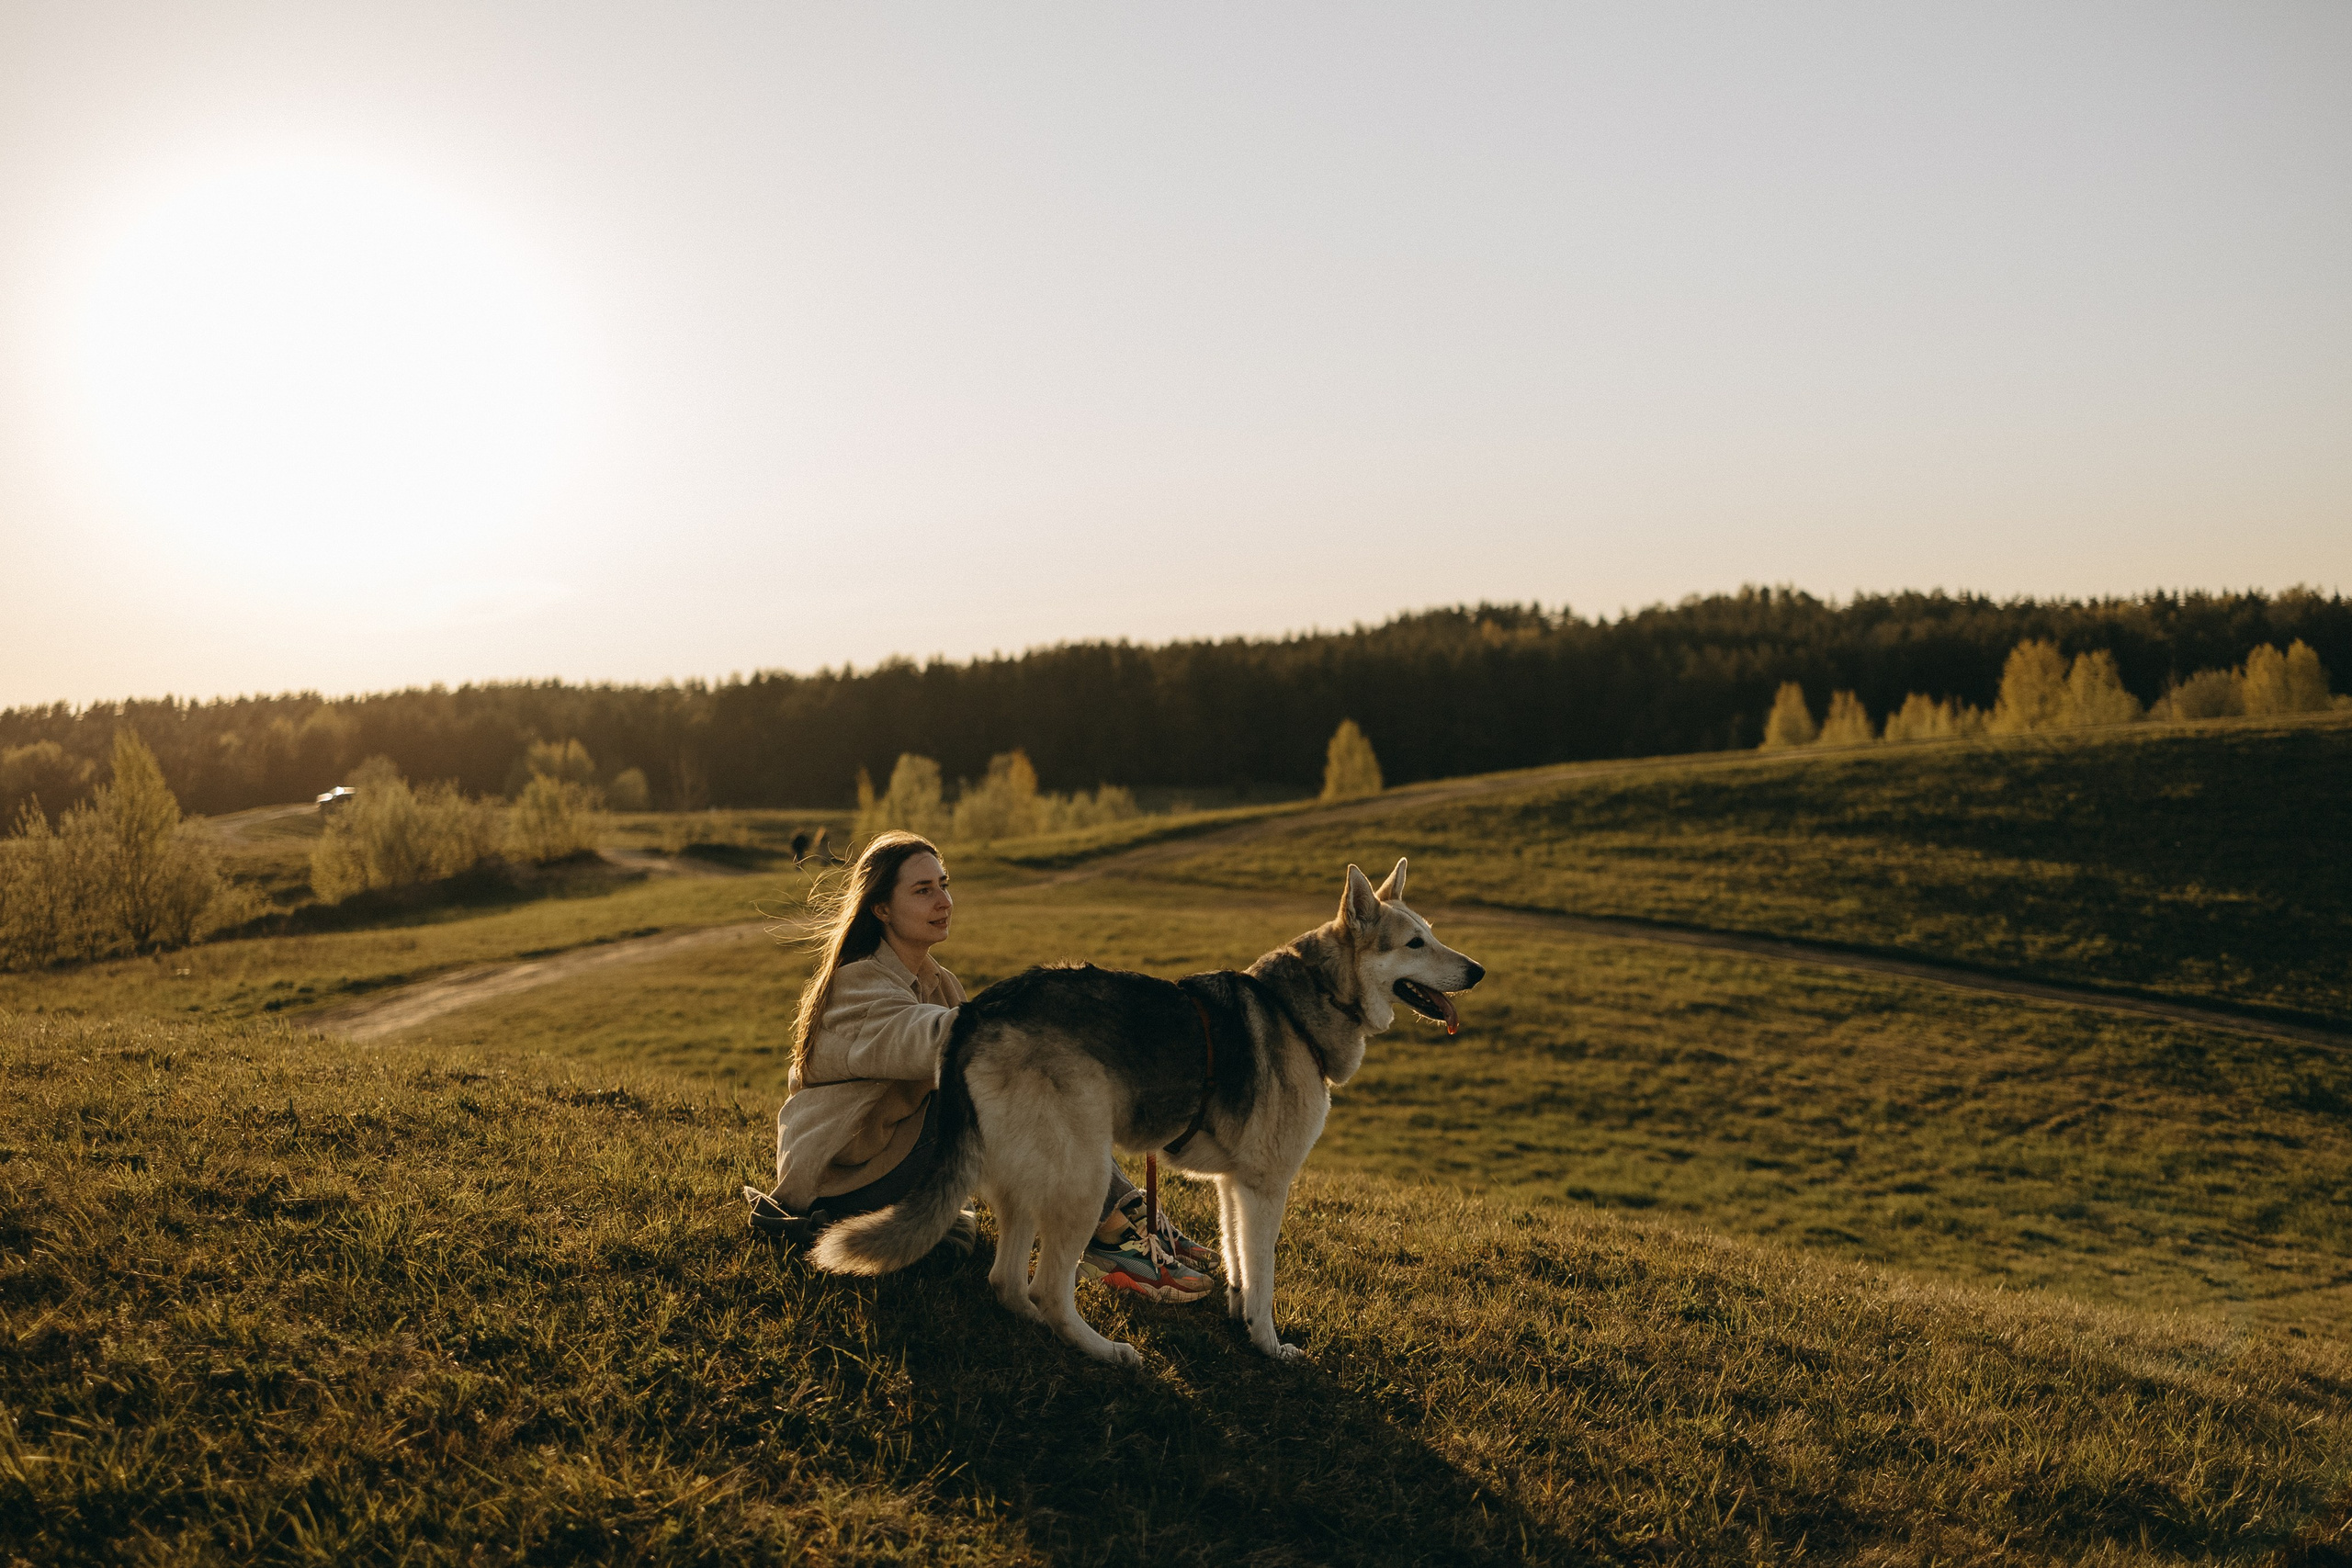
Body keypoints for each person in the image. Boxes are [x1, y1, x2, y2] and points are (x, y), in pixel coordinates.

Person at [743, 829, 1216, 1303]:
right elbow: (936, 1041)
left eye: (944, 885)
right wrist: (1052, 1021)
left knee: (1032, 1084)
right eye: (922, 890)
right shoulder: (858, 983)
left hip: (895, 1158)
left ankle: (1133, 1219)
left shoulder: (940, 982)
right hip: (846, 1178)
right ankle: (1114, 1236)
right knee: (1010, 1090)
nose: (943, 901)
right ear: (881, 909)